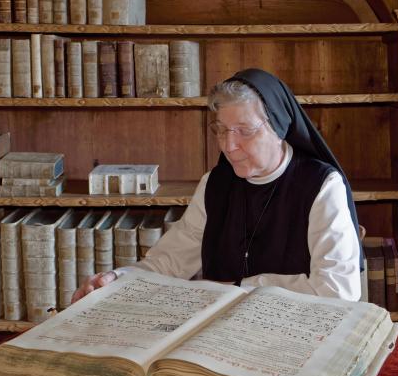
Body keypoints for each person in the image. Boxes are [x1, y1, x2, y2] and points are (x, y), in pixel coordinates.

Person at [71, 68, 363, 303]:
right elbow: (170, 263)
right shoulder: (215, 184)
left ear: (279, 128)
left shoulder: (322, 186)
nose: (229, 146)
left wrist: (239, 287)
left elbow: (337, 292)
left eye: (244, 132)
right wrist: (116, 280)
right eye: (221, 130)